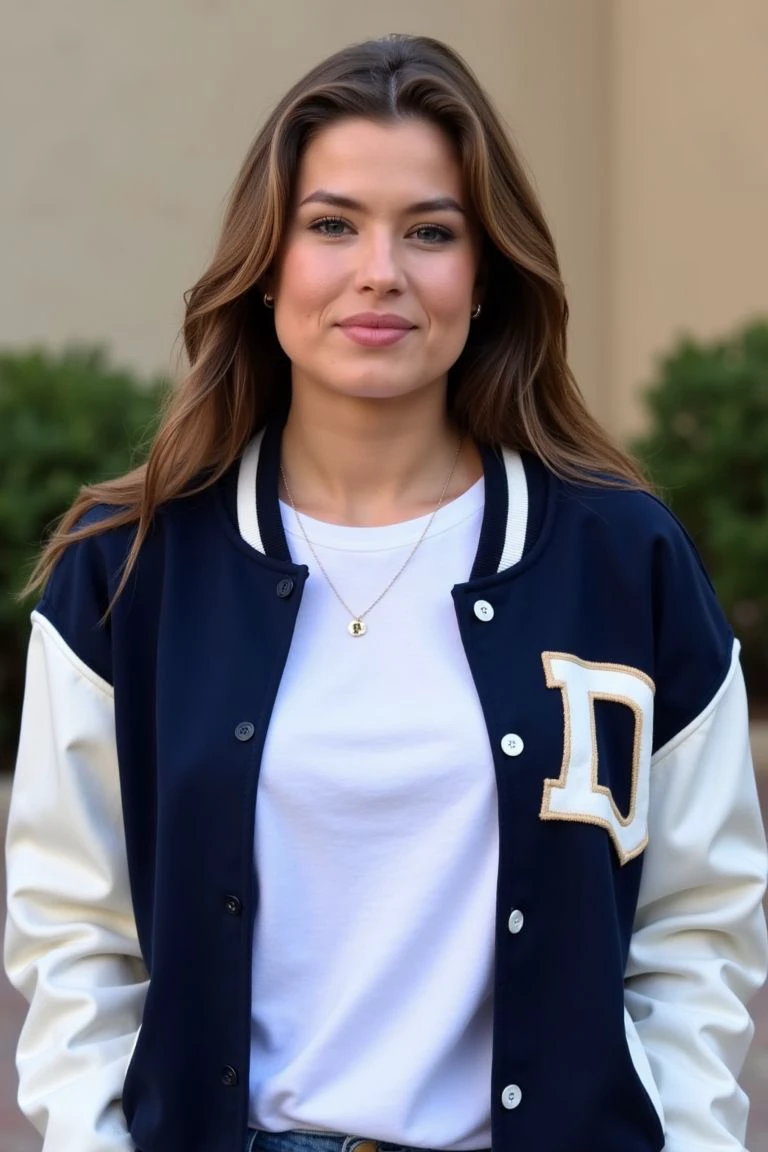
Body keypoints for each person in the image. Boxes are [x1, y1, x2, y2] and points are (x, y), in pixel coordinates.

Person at [3, 31, 767, 1152]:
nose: (381, 273)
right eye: (332, 224)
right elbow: (75, 935)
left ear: (485, 271)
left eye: (431, 232)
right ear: (267, 264)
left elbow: (698, 925)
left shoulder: (620, 562)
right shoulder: (132, 573)